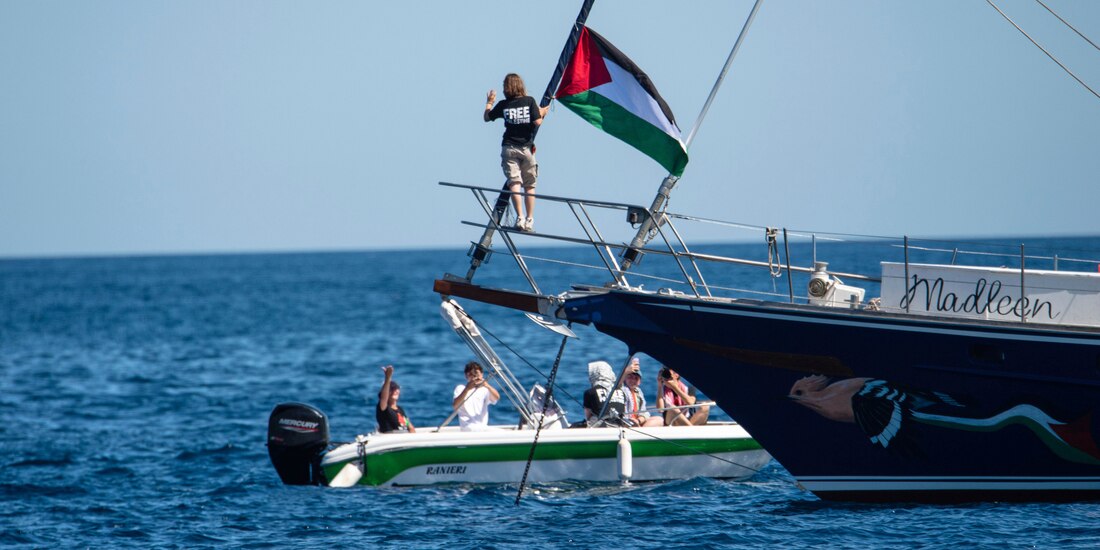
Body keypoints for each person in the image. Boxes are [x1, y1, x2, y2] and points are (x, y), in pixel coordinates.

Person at [483, 73, 550, 233]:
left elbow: (487, 117)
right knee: (529, 185)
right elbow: (537, 121)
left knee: (514, 183)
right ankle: (529, 219)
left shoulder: (503, 104)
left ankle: (519, 217)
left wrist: (489, 103)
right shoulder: (529, 101)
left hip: (508, 148)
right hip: (526, 149)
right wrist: (542, 112)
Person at [452, 361, 500, 431]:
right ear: (466, 376)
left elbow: (496, 398)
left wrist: (487, 386)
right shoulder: (461, 388)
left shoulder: (485, 390)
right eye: (471, 374)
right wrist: (467, 389)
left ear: (482, 374)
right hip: (467, 427)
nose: (475, 377)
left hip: (482, 427)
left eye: (477, 374)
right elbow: (455, 405)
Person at [622, 357, 664, 427]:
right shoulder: (622, 389)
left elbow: (644, 412)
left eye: (636, 378)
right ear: (625, 378)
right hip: (625, 422)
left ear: (639, 382)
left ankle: (639, 433)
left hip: (636, 422)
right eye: (630, 377)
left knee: (659, 419)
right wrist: (627, 371)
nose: (633, 380)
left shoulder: (639, 392)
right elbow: (617, 385)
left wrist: (638, 420)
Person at [583, 360, 627, 426]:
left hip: (601, 428)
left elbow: (588, 416)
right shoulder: (621, 392)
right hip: (619, 426)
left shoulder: (590, 392)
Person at [377, 365, 415, 433]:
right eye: (392, 389)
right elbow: (384, 398)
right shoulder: (384, 408)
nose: (395, 391)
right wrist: (388, 378)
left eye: (396, 389)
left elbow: (410, 427)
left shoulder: (400, 409)